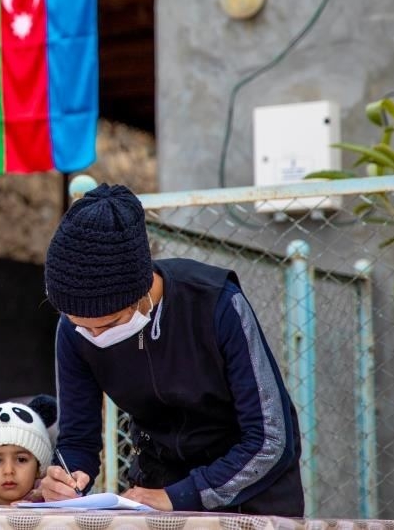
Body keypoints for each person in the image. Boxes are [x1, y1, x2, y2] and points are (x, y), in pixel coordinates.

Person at [39, 184, 305, 516]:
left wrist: (182, 495)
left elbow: (270, 441)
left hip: (249, 489)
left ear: (142, 290)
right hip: (155, 484)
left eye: (109, 324)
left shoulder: (216, 302)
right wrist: (65, 477)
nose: (94, 335)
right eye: (82, 324)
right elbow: (78, 440)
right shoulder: (72, 330)